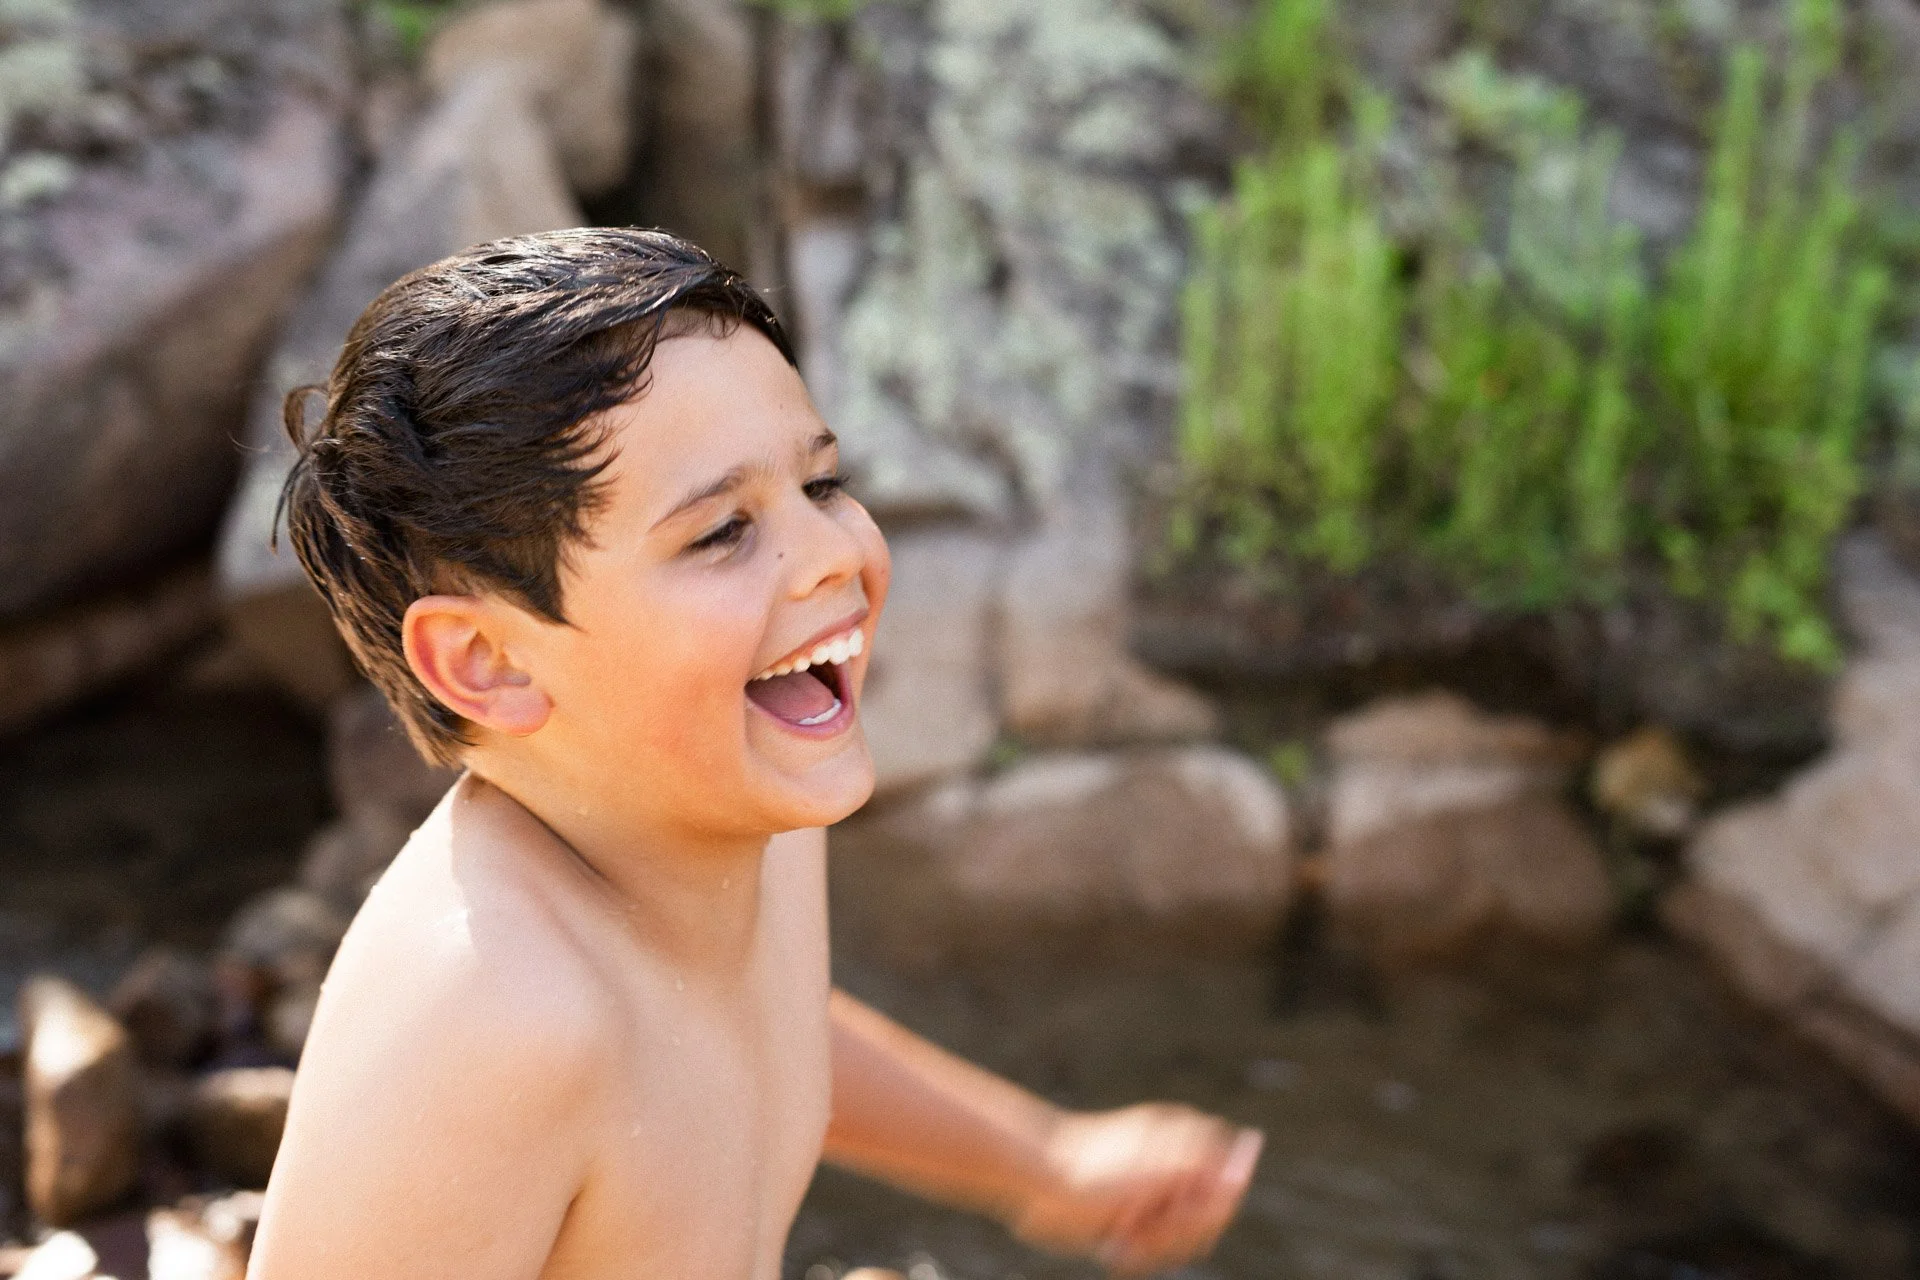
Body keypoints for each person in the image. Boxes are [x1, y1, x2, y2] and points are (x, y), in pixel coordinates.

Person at [251, 228, 1261, 1280]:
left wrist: (1045, 1160)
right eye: (721, 531)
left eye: (821, 484)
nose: (833, 555)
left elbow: (737, 1027)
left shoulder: (738, 810)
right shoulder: (492, 1015)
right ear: (488, 660)